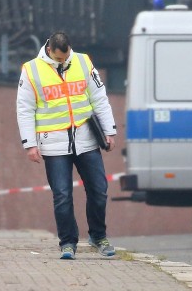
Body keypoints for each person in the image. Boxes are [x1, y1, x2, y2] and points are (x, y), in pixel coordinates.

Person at [16, 31, 117, 259]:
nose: (64, 62)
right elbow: (24, 109)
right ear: (49, 51)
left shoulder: (83, 61)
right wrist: (30, 144)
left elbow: (99, 97)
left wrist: (109, 130)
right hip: (54, 142)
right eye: (60, 59)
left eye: (67, 56)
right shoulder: (31, 70)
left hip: (87, 138)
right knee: (62, 195)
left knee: (99, 190)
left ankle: (98, 236)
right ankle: (68, 243)